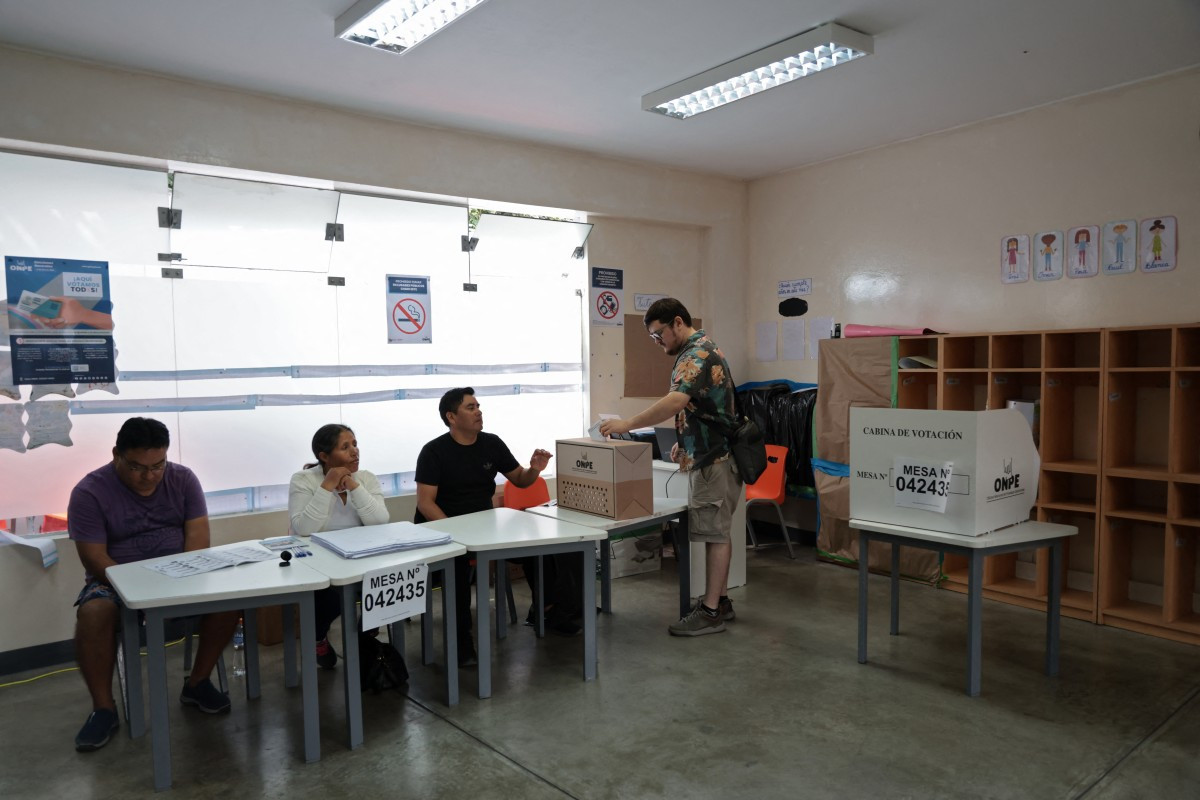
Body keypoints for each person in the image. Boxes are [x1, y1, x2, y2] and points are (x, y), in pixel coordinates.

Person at [68, 417, 239, 752]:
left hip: (179, 575)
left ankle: (197, 682)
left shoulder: (183, 479)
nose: (148, 476)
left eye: (157, 465)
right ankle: (104, 709)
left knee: (230, 597)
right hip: (115, 582)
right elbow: (94, 559)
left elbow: (198, 542)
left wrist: (177, 582)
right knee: (93, 613)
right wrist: (137, 589)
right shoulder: (89, 492)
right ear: (116, 454)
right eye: (136, 467)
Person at [600, 298, 741, 637]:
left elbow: (677, 399)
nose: (657, 341)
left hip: (714, 461)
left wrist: (627, 423)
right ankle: (720, 602)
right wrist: (685, 438)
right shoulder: (702, 349)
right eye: (652, 337)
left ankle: (709, 612)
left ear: (678, 322)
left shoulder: (695, 354)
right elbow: (699, 404)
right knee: (716, 530)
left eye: (658, 334)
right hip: (711, 452)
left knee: (715, 534)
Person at [414, 387, 564, 667]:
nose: (478, 411)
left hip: (484, 528)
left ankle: (547, 611)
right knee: (457, 569)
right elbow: (425, 503)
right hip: (443, 531)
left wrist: (535, 469)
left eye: (478, 406)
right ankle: (461, 643)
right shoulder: (434, 451)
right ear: (451, 417)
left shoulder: (491, 443)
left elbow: (519, 479)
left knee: (537, 546)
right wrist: (455, 533)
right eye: (470, 408)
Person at [288, 424, 389, 669]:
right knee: (330, 598)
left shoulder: (365, 478)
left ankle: (365, 636)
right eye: (345, 447)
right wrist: (327, 486)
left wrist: (354, 486)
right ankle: (317, 637)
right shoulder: (303, 480)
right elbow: (303, 528)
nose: (355, 451)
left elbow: (380, 521)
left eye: (355, 444)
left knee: (386, 581)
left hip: (359, 558)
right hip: (317, 562)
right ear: (324, 456)